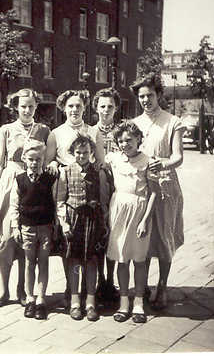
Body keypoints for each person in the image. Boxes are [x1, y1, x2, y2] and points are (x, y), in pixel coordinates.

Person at [0, 88, 51, 309]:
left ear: (36, 106)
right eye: (23, 106)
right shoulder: (6, 130)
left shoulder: (45, 130)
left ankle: (23, 290)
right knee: (6, 238)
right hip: (10, 184)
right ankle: (3, 292)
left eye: (31, 106)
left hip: (33, 186)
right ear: (16, 108)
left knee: (26, 238)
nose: (27, 110)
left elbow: (48, 161)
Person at [45, 90, 105, 308]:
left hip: (89, 190)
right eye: (70, 106)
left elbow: (100, 161)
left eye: (78, 106)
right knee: (68, 244)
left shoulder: (92, 131)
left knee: (91, 247)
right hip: (66, 189)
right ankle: (72, 288)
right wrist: (52, 164)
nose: (74, 110)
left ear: (85, 107)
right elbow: (49, 160)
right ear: (63, 108)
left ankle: (92, 292)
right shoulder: (56, 133)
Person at [130, 73, 185, 310]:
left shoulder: (172, 122)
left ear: (159, 94)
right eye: (141, 96)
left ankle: (162, 287)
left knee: (163, 236)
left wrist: (162, 163)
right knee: (142, 237)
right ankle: (142, 287)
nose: (145, 100)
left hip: (164, 186)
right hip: (141, 186)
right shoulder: (134, 123)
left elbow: (178, 157)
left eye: (150, 95)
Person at [106, 121, 157, 323]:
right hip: (118, 209)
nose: (125, 144)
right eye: (121, 141)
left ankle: (138, 303)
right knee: (121, 257)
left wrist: (145, 220)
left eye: (129, 139)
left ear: (138, 139)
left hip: (139, 211)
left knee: (139, 259)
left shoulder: (147, 161)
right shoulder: (114, 159)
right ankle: (124, 302)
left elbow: (153, 193)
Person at [56, 135, 107, 321]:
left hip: (92, 220)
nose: (82, 155)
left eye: (86, 152)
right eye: (78, 152)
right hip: (73, 220)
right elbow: (60, 200)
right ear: (72, 153)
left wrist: (104, 223)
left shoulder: (98, 172)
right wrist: (64, 222)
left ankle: (91, 302)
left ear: (92, 152)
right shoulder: (66, 172)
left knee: (91, 260)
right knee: (74, 260)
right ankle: (75, 301)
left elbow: (103, 200)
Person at [9, 140, 57, 320]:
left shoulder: (50, 178)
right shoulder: (20, 179)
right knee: (29, 263)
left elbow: (55, 201)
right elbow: (14, 205)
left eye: (38, 159)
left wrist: (56, 225)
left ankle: (41, 300)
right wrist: (16, 226)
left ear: (43, 159)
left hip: (45, 227)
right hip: (27, 227)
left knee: (43, 262)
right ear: (24, 159)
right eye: (31, 159)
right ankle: (30, 298)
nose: (35, 163)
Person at [91, 88, 121, 305]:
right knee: (99, 233)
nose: (106, 110)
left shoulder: (122, 131)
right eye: (102, 106)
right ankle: (100, 280)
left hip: (119, 188)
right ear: (96, 108)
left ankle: (111, 280)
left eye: (110, 106)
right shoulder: (90, 132)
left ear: (116, 108)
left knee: (115, 233)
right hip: (96, 189)